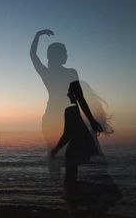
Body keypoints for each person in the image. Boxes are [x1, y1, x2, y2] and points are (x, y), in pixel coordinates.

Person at [30, 30, 102, 177]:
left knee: (61, 159)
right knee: (69, 161)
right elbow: (80, 98)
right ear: (54, 55)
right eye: (63, 52)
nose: (66, 55)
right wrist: (91, 120)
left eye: (66, 52)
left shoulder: (50, 72)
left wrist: (37, 36)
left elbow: (33, 56)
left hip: (57, 116)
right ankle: (68, 193)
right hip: (65, 115)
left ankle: (65, 193)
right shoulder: (69, 73)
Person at [50, 81, 102, 216]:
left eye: (69, 91)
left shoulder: (71, 109)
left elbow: (67, 134)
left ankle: (74, 211)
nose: (67, 93)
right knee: (71, 180)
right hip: (80, 146)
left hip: (73, 149)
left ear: (73, 94)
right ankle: (78, 208)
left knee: (69, 182)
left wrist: (56, 149)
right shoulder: (81, 111)